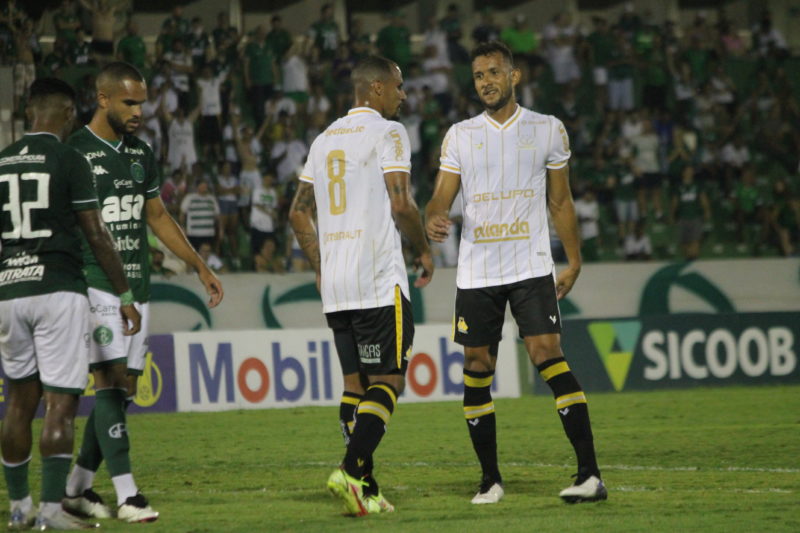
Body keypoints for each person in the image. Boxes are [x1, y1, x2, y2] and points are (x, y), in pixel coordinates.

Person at [425, 41, 606, 505]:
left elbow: (560, 202)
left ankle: (590, 475)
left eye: (492, 72)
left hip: (529, 264)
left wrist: (574, 260)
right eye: (478, 75)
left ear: (513, 75)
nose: (485, 81)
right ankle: (490, 480)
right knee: (476, 365)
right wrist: (434, 216)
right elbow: (440, 198)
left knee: (547, 352)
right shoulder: (460, 134)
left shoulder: (548, 130)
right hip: (477, 269)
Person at [62, 62, 224, 523]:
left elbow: (157, 217)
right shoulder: (75, 152)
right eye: (129, 103)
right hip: (95, 284)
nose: (138, 111)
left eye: (142, 103)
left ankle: (76, 487)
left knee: (124, 390)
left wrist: (198, 266)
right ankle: (128, 495)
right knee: (110, 383)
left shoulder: (140, 153)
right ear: (104, 99)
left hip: (139, 286)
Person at [289, 55, 433, 516]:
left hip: (336, 281)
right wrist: (425, 249)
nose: (403, 95)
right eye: (398, 86)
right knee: (388, 381)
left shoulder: (323, 139)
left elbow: (297, 211)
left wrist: (319, 261)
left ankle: (365, 487)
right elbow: (401, 203)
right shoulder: (389, 133)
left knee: (355, 384)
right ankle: (351, 470)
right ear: (375, 89)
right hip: (375, 276)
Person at [0, 78, 141, 530]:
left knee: (19, 402)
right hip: (58, 288)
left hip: (8, 291)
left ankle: (18, 507)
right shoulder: (69, 157)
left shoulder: (1, 163)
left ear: (29, 114)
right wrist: (124, 294)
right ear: (65, 115)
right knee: (60, 403)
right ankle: (51, 510)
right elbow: (97, 234)